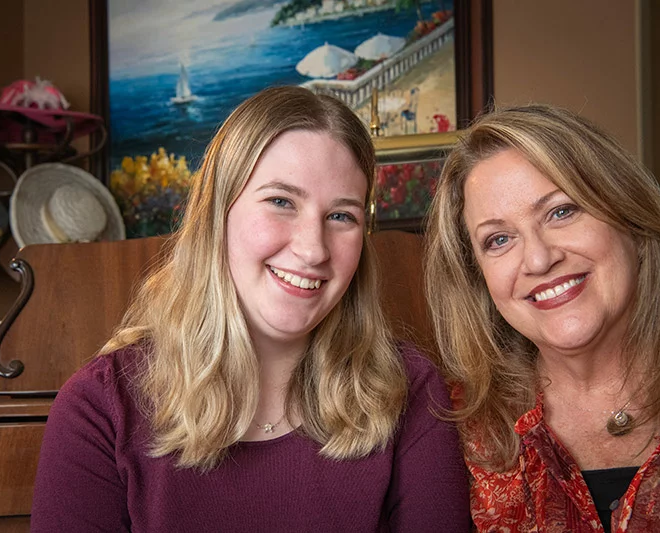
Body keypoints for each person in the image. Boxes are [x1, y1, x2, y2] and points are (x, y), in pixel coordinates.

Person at [31, 86, 469, 532]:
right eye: (281, 202)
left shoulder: (412, 392)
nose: (313, 249)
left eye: (342, 216)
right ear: (217, 213)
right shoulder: (98, 409)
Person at [425, 104, 660, 532]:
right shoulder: (449, 429)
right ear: (478, 277)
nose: (539, 259)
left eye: (561, 212)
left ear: (629, 215)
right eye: (499, 239)